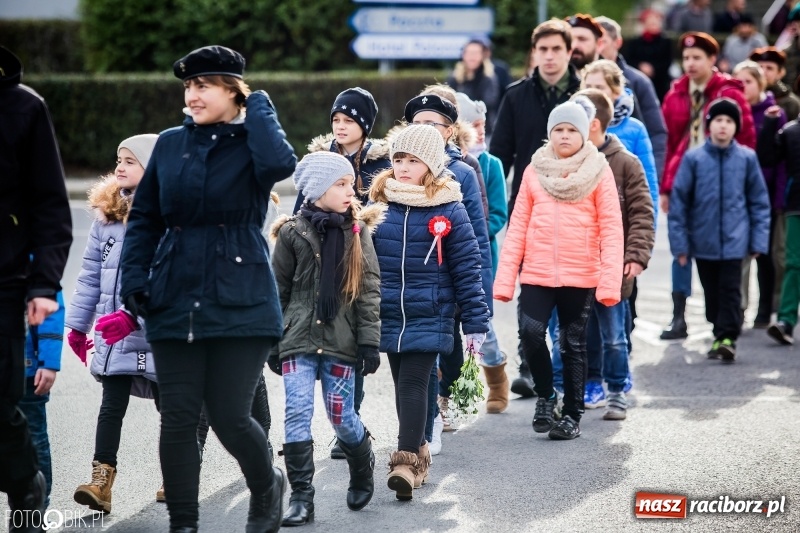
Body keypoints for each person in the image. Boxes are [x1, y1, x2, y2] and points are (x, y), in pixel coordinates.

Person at [119, 45, 297, 533]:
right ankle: (184, 524)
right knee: (177, 416)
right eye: (188, 86)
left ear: (232, 90)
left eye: (204, 86)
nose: (192, 96)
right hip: (173, 297)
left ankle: (268, 486)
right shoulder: (173, 143)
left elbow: (281, 162)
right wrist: (134, 280)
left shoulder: (253, 141)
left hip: (242, 300)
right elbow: (146, 219)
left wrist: (257, 105)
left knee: (229, 418)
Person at [369, 124, 489, 500]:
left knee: (413, 384)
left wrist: (474, 320)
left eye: (413, 160)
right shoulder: (379, 203)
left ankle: (404, 463)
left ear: (432, 164)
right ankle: (420, 454)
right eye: (398, 159)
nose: (403, 167)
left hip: (431, 310)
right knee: (402, 384)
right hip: (389, 311)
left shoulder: (449, 206)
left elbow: (467, 267)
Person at [494, 101, 624, 440]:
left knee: (571, 344)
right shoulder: (534, 170)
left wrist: (610, 282)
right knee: (532, 333)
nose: (564, 135)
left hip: (580, 274)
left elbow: (611, 227)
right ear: (549, 133)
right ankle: (547, 396)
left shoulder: (599, 171)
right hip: (536, 272)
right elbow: (518, 224)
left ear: (584, 134)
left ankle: (572, 414)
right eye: (558, 129)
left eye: (571, 130)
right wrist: (506, 278)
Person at [269, 152, 384, 525]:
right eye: (341, 184)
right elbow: (277, 290)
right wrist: (273, 338)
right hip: (298, 337)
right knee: (297, 413)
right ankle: (302, 497)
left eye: (351, 183)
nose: (351, 191)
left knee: (341, 416)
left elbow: (368, 290)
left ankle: (361, 459)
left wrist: (368, 341)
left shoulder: (357, 232)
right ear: (317, 189)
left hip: (341, 338)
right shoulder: (291, 232)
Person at [66, 134, 164, 513]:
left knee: (171, 408)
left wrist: (134, 315)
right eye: (118, 159)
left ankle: (177, 474)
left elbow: (166, 276)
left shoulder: (165, 217)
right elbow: (90, 276)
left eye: (130, 161)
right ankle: (101, 481)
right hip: (113, 334)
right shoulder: (106, 218)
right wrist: (77, 326)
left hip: (155, 332)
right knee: (111, 403)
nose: (120, 166)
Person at [291, 86, 390, 460]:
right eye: (336, 120)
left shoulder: (381, 164)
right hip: (318, 261)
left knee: (351, 347)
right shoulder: (319, 159)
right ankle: (315, 426)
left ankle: (350, 422)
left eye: (348, 120)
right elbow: (301, 206)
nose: (341, 126)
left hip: (358, 260)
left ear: (364, 125)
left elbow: (385, 214)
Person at [0, 45, 72, 533]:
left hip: (7, 281)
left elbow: (50, 205)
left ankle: (27, 486)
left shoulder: (23, 106)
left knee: (4, 406)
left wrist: (44, 286)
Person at [490, 18, 581, 397]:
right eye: (542, 49)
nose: (548, 56)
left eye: (556, 49)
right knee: (533, 287)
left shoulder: (583, 94)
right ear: (534, 53)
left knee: (572, 288)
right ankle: (529, 365)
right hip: (530, 208)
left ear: (569, 52)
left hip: (578, 205)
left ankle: (567, 366)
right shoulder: (515, 96)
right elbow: (499, 157)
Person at [402, 93, 493, 436]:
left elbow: (476, 234)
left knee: (450, 346)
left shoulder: (463, 171)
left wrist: (478, 290)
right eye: (417, 124)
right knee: (419, 350)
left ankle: (445, 396)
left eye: (432, 124)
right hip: (412, 278)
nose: (424, 130)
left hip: (449, 275)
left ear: (450, 131)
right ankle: (425, 418)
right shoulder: (398, 169)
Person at [660, 32, 756, 341]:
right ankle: (679, 314)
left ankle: (730, 311)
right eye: (686, 58)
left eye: (697, 58)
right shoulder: (675, 94)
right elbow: (669, 142)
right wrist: (666, 187)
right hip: (684, 178)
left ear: (712, 60)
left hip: (718, 179)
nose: (690, 63)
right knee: (680, 246)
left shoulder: (728, 93)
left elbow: (747, 137)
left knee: (726, 248)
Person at [572, 89, 655, 419]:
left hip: (615, 268)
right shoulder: (568, 163)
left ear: (593, 124)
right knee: (581, 334)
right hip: (578, 268)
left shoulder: (625, 163)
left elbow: (642, 213)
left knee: (615, 336)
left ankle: (618, 387)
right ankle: (590, 382)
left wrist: (635, 255)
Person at [669, 98, 770, 360]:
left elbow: (759, 202)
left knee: (730, 291)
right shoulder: (694, 159)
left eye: (728, 121)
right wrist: (680, 244)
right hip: (704, 242)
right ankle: (719, 330)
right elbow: (679, 203)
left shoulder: (747, 158)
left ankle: (727, 337)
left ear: (736, 127)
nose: (723, 126)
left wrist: (758, 241)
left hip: (736, 242)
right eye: (718, 121)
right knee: (711, 296)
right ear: (708, 125)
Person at [455, 92, 509, 414]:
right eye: (472, 124)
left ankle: (497, 380)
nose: (480, 129)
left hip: (479, 257)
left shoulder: (490, 165)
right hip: (444, 255)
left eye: (481, 123)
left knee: (481, 325)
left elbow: (498, 214)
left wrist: (469, 235)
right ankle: (450, 389)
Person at [733, 61, 787, 328]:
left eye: (748, 82)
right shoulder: (733, 113)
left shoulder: (773, 113)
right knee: (737, 254)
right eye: (738, 82)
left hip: (764, 195)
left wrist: (778, 199)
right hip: (736, 194)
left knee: (765, 255)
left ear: (760, 83)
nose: (743, 88)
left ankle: (765, 308)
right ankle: (739, 307)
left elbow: (780, 162)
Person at [581, 60, 659, 222]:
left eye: (600, 87)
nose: (592, 92)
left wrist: (647, 228)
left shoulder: (635, 129)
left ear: (616, 91)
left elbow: (648, 183)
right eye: (588, 86)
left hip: (622, 216)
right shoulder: (573, 126)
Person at [596, 15, 668, 182]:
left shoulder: (638, 82)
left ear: (617, 43)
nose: (598, 48)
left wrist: (650, 177)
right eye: (595, 42)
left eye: (603, 41)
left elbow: (656, 132)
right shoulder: (579, 81)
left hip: (630, 180)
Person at [18, 292, 64, 510]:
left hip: (23, 369)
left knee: (32, 440)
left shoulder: (32, 258)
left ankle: (36, 509)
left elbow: (50, 305)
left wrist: (48, 362)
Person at [759, 103, 800, 346]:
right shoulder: (790, 131)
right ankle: (785, 321)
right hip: (796, 205)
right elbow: (767, 157)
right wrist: (769, 124)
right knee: (793, 264)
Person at [447, 38, 502, 137]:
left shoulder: (488, 79)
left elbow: (489, 103)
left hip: (482, 131)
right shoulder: (454, 78)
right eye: (469, 53)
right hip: (458, 131)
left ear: (482, 56)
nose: (472, 56)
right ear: (463, 55)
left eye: (476, 53)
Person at [626, 9, 674, 102]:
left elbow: (667, 61)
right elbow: (630, 60)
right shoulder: (635, 43)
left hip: (660, 83)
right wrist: (640, 66)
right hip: (639, 80)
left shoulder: (665, 42)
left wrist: (653, 69)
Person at [750, 47, 800, 119]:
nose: (763, 72)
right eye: (759, 67)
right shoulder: (748, 96)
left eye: (769, 68)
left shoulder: (790, 103)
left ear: (780, 73)